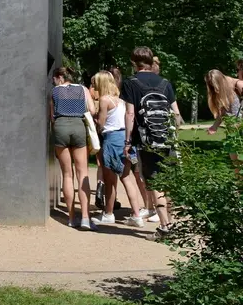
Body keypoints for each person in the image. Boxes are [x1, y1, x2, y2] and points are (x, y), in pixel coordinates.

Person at [121, 47, 182, 241]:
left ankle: (165, 227)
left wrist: (128, 140)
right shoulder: (165, 83)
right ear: (151, 61)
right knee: (168, 181)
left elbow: (130, 114)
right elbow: (177, 114)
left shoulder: (131, 82)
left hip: (146, 140)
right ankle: (171, 222)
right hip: (168, 139)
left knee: (155, 182)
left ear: (134, 63)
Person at [90, 71, 143, 227]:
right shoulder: (121, 101)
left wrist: (93, 118)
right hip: (124, 138)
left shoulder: (105, 100)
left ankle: (108, 213)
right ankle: (137, 215)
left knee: (110, 180)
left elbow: (101, 122)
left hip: (111, 139)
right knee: (126, 177)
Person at [50, 67, 97, 230]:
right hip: (78, 126)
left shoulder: (55, 92)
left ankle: (71, 217)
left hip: (61, 126)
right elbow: (92, 110)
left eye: (54, 79)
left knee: (67, 174)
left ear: (60, 77)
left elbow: (52, 116)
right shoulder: (83, 89)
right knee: (82, 173)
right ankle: (85, 217)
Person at [205, 69, 243, 134]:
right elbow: (223, 111)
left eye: (215, 86)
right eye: (212, 86)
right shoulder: (222, 91)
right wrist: (214, 126)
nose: (215, 90)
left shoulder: (238, 84)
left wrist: (239, 124)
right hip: (232, 129)